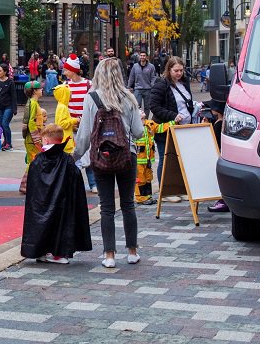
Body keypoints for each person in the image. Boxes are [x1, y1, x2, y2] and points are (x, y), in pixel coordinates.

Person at [74, 57, 144, 269]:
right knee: (128, 204)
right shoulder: (129, 97)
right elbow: (139, 133)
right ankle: (132, 251)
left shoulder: (91, 98)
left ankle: (109, 255)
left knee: (106, 207)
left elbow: (85, 135)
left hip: (101, 156)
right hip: (126, 156)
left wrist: (75, 156)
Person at [20, 123, 92, 264]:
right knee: (62, 224)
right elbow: (76, 182)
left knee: (41, 223)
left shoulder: (39, 160)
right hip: (63, 203)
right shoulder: (67, 160)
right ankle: (61, 253)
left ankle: (40, 251)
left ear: (46, 140)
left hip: (41, 203)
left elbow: (33, 186)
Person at [147, 55, 198, 202]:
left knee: (179, 160)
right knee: (165, 159)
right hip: (166, 129)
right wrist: (173, 116)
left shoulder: (184, 82)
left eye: (181, 70)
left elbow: (186, 102)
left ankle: (179, 188)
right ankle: (164, 192)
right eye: (176, 70)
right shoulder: (161, 84)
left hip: (184, 129)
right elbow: (154, 107)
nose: (179, 73)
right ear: (168, 70)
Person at [55, 53, 96, 192]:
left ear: (73, 70)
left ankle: (93, 183)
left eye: (66, 70)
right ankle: (72, 182)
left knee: (88, 153)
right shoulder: (65, 86)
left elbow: (92, 104)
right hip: (71, 126)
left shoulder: (88, 84)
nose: (64, 72)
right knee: (73, 154)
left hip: (85, 124)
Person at [20, 80, 46, 194]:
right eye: (40, 88)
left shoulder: (32, 102)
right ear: (34, 91)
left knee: (34, 161)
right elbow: (31, 122)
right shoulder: (33, 103)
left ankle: (29, 185)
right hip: (32, 139)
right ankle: (26, 186)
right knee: (33, 162)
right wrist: (37, 138)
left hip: (31, 139)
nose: (42, 90)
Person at [0, 64, 17, 151]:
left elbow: (13, 96)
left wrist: (14, 109)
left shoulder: (10, 82)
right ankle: (5, 141)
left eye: (0, 71)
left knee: (5, 124)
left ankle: (9, 144)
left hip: (8, 107)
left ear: (5, 72)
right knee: (2, 125)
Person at [126, 51, 157, 116]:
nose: (142, 57)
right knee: (137, 105)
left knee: (147, 107)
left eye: (144, 55)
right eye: (141, 55)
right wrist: (128, 86)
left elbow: (153, 77)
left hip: (148, 89)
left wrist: (152, 85)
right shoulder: (135, 66)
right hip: (138, 89)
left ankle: (145, 121)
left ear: (146, 57)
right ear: (139, 57)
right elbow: (131, 77)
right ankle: (139, 120)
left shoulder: (151, 67)